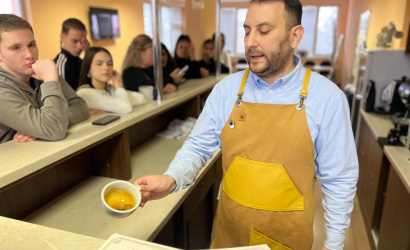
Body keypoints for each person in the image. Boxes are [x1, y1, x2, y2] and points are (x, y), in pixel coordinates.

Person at [134, 1, 358, 250]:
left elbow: (339, 179)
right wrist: (171, 178)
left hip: (288, 241)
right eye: (246, 30)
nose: (250, 41)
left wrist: (334, 244)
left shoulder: (327, 98)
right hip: (230, 238)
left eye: (263, 31)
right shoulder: (226, 90)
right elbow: (198, 146)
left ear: (295, 36)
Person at [0, 14, 89, 144]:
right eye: (16, 48)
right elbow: (54, 129)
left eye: (31, 45)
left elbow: (81, 108)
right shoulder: (2, 89)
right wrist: (48, 123)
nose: (29, 55)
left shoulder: (43, 72)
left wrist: (49, 123)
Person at [77, 47, 146, 114]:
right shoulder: (84, 93)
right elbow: (126, 108)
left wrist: (110, 109)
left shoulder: (109, 88)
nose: (106, 68)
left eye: (109, 64)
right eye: (99, 64)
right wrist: (118, 86)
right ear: (89, 69)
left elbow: (141, 98)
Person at [54, 18, 90, 90]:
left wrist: (90, 56)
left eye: (83, 42)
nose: (80, 46)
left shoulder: (82, 61)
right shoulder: (61, 64)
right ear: (62, 37)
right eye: (75, 41)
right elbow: (64, 99)